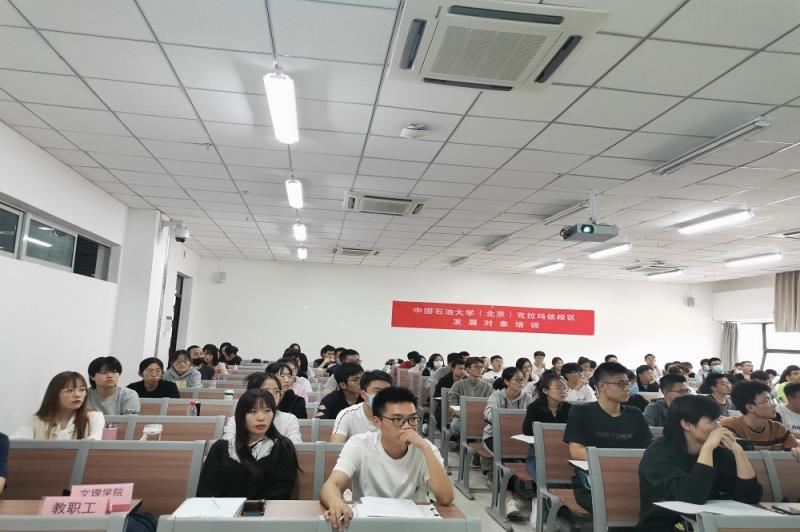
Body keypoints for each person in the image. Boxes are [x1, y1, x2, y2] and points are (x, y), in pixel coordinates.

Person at [320, 387, 453, 530]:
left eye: (413, 419)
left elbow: (446, 498)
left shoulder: (425, 448)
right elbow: (330, 486)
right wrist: (336, 502)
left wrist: (425, 447)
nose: (407, 426)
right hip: (368, 525)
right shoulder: (359, 444)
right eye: (397, 420)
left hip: (412, 526)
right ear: (377, 422)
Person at [637, 395, 763, 532]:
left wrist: (738, 451)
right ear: (687, 424)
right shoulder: (658, 453)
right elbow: (693, 496)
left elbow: (750, 497)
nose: (718, 427)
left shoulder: (719, 452)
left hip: (709, 524)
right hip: (663, 525)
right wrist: (707, 448)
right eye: (712, 421)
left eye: (717, 420)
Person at [564, 362, 652, 512]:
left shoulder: (635, 414)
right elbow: (576, 451)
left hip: (632, 479)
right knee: (615, 505)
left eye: (628, 383)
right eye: (621, 384)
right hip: (593, 479)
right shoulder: (580, 412)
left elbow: (648, 449)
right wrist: (616, 462)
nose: (627, 388)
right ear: (602, 386)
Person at [197, 389, 298, 498]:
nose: (261, 418)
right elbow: (206, 492)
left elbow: (281, 493)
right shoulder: (221, 448)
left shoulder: (283, 447)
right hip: (223, 508)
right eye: (253, 411)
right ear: (241, 416)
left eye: (267, 410)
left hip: (267, 508)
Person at [14, 372, 104, 440]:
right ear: (54, 394)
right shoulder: (35, 420)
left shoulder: (94, 418)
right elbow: (17, 443)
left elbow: (94, 443)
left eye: (82, 390)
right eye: (70, 390)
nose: (78, 395)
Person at [721, 380, 800, 455]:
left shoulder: (779, 429)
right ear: (750, 407)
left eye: (771, 400)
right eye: (767, 401)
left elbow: (795, 449)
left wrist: (796, 451)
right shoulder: (729, 427)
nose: (773, 405)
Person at [224, 373, 302, 443]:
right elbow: (229, 446)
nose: (273, 396)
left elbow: (295, 446)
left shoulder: (289, 419)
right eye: (266, 391)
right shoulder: (236, 420)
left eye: (277, 391)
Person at [330, 370, 392, 442]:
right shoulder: (347, 415)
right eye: (378, 391)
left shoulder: (397, 416)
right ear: (363, 394)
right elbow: (336, 445)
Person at [448, 356, 493, 442]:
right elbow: (453, 406)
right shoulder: (458, 385)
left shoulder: (488, 386)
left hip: (482, 418)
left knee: (493, 427)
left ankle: (465, 442)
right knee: (455, 425)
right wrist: (468, 416)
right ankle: (472, 443)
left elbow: (492, 405)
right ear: (468, 369)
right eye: (476, 367)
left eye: (481, 367)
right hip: (462, 417)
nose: (480, 369)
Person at [434, 356, 465, 425]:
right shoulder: (444, 380)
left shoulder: (467, 380)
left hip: (463, 407)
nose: (462, 371)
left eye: (464, 369)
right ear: (453, 369)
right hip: (445, 407)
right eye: (460, 368)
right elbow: (436, 396)